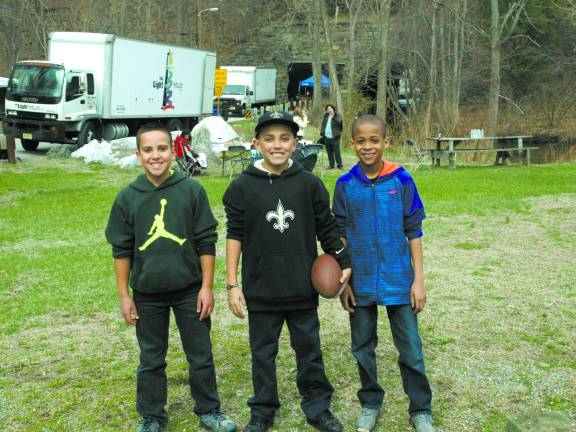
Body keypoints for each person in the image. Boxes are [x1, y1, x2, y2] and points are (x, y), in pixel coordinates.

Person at [222, 111, 352, 432]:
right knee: (262, 354)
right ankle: (263, 409)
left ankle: (317, 406)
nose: (277, 145)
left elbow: (327, 228)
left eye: (284, 138)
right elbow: (234, 235)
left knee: (309, 350)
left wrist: (344, 261)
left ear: (296, 143)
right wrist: (231, 284)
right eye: (269, 139)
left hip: (300, 286)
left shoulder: (309, 184)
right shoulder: (241, 187)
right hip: (261, 288)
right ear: (256, 144)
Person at [105, 123, 236, 432]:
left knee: (200, 354)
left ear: (172, 151)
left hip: (189, 290)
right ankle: (151, 416)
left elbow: (206, 241)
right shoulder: (128, 198)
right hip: (148, 294)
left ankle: (209, 411)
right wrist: (125, 295)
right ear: (138, 155)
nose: (156, 155)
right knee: (151, 359)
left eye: (162, 148)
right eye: (148, 150)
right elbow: (121, 251)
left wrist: (206, 287)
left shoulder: (191, 190)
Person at [333, 114, 435, 432]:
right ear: (351, 144)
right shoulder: (345, 185)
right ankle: (370, 402)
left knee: (411, 350)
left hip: (399, 279)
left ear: (385, 142)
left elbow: (414, 231)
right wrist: (344, 282)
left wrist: (418, 280)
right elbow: (340, 236)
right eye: (361, 140)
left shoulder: (401, 180)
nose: (368, 146)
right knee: (362, 346)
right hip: (360, 279)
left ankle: (420, 410)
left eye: (374, 140)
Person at [319, 104, 343, 170]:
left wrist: (333, 117)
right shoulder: (326, 116)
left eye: (330, 109)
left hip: (335, 137)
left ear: (333, 109)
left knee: (337, 151)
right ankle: (331, 165)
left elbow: (339, 123)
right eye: (328, 109)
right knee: (329, 152)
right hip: (326, 137)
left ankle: (340, 165)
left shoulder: (337, 115)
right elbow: (323, 124)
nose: (329, 110)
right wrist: (322, 132)